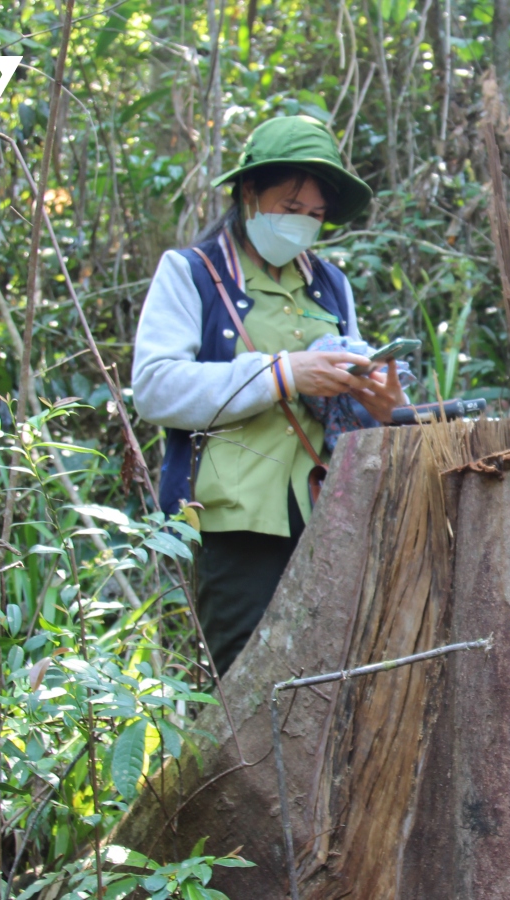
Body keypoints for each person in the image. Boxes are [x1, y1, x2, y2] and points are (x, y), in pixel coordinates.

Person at [132, 115, 407, 675]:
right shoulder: (192, 273)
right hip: (234, 522)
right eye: (290, 206)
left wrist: (382, 404)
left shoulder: (331, 284)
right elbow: (155, 389)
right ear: (250, 194)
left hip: (329, 512)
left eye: (315, 215)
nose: (303, 223)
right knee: (247, 688)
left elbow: (355, 406)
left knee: (335, 679)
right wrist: (284, 373)